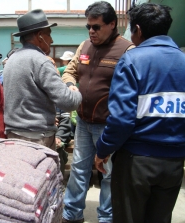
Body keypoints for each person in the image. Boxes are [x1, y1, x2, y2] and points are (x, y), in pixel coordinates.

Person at [95, 3, 185, 223]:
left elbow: (121, 119)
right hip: (174, 164)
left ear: (138, 29)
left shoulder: (132, 60)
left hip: (136, 162)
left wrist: (103, 149)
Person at [61, 1, 133, 223]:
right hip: (83, 122)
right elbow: (70, 71)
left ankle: (106, 218)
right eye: (88, 27)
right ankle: (71, 215)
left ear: (112, 24)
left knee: (109, 175)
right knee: (78, 172)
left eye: (96, 27)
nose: (91, 31)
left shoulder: (128, 50)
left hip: (109, 126)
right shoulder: (84, 46)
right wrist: (71, 82)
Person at [3, 9, 82, 151]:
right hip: (37, 138)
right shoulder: (40, 61)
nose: (51, 40)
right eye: (49, 34)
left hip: (13, 135)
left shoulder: (12, 59)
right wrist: (76, 91)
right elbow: (68, 101)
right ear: (40, 36)